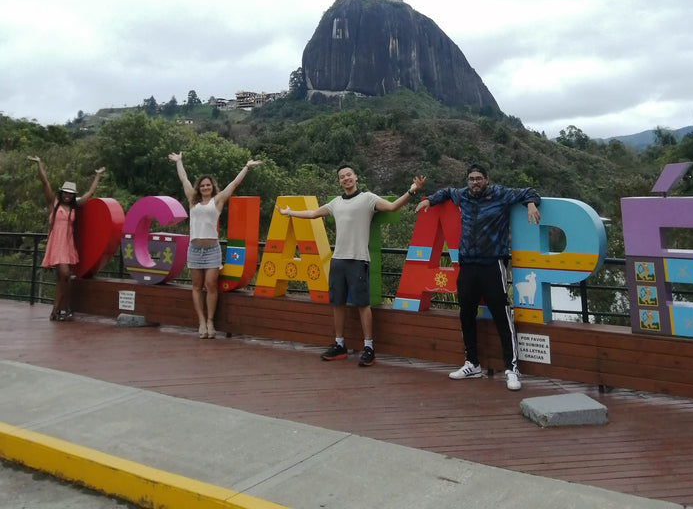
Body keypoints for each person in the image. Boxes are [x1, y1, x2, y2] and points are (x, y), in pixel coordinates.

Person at [276, 164, 425, 367]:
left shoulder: (367, 198)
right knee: (337, 303)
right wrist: (289, 212)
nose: (346, 178)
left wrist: (412, 190)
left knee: (362, 304)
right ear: (339, 181)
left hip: (358, 259)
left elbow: (392, 207)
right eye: (342, 176)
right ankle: (339, 345)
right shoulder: (336, 203)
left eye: (348, 175)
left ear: (355, 177)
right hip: (337, 259)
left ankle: (369, 347)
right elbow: (312, 214)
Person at [416, 163, 540, 390]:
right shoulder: (463, 195)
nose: (475, 182)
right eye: (471, 178)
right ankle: (472, 364)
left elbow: (529, 191)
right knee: (466, 315)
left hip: (493, 264)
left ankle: (511, 369)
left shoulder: (500, 194)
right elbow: (446, 192)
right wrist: (429, 200)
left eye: (479, 178)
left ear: (487, 179)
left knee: (502, 316)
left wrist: (531, 204)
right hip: (468, 266)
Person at [169, 151, 262, 339]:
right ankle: (201, 322)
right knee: (196, 286)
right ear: (199, 188)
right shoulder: (192, 200)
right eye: (202, 185)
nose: (205, 187)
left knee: (211, 285)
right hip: (194, 250)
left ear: (212, 187)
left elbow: (234, 184)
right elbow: (184, 179)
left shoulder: (217, 201)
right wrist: (179, 161)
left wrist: (246, 167)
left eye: (208, 185)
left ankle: (211, 321)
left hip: (212, 250)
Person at [28, 156, 105, 321]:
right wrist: (39, 164)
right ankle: (65, 306)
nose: (68, 196)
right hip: (56, 244)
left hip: (68, 244)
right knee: (64, 274)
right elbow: (45, 183)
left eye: (71, 194)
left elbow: (90, 193)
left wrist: (97, 175)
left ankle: (57, 309)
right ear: (61, 193)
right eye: (65, 193)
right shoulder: (54, 205)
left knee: (62, 278)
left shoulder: (75, 208)